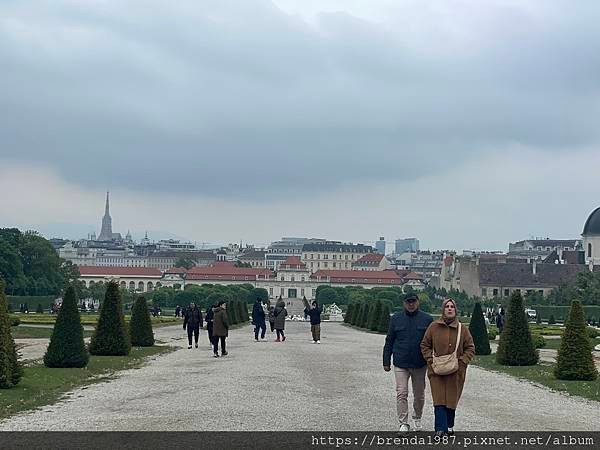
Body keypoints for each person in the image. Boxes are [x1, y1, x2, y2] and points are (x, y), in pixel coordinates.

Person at [421, 298, 475, 436]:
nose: (450, 309)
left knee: (451, 399)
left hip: (455, 371)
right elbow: (424, 345)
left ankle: (449, 425)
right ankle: (440, 429)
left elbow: (470, 348)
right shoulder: (433, 327)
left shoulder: (463, 329)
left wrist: (462, 363)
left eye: (452, 307)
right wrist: (430, 360)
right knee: (439, 399)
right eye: (447, 306)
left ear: (455, 310)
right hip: (437, 370)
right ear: (443, 309)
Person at [383, 292, 433, 433]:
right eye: (408, 302)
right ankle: (403, 423)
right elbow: (389, 340)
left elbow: (432, 342)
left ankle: (417, 416)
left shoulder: (427, 319)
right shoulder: (396, 319)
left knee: (419, 395)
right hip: (401, 362)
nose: (411, 304)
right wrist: (386, 360)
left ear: (418, 302)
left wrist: (432, 360)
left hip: (419, 363)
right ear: (404, 303)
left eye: (413, 301)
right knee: (401, 393)